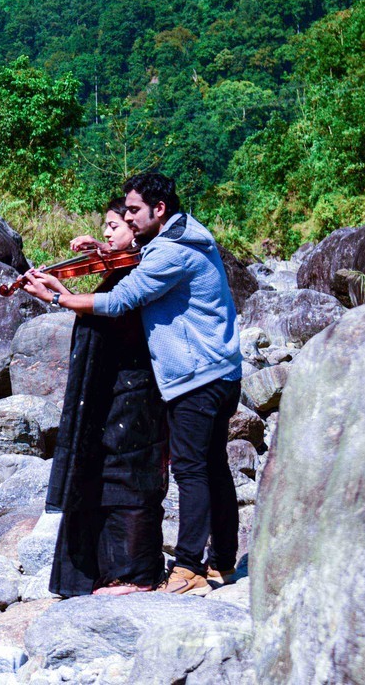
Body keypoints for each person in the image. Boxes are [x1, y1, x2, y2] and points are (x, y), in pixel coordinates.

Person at [24, 172, 241, 595]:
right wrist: (106, 250)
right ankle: (224, 562)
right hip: (222, 372)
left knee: (193, 471)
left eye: (134, 211)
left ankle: (190, 569)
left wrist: (56, 297)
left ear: (159, 209)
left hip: (196, 377)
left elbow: (121, 299)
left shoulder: (171, 253)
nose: (128, 217)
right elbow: (138, 255)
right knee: (214, 467)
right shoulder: (187, 234)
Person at [44, 199, 167, 597]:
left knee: (128, 477)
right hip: (114, 387)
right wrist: (99, 251)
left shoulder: (142, 269)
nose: (111, 232)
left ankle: (135, 573)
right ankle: (100, 571)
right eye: (108, 226)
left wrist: (58, 295)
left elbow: (115, 312)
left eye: (116, 225)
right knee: (101, 472)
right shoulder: (120, 266)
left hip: (136, 389)